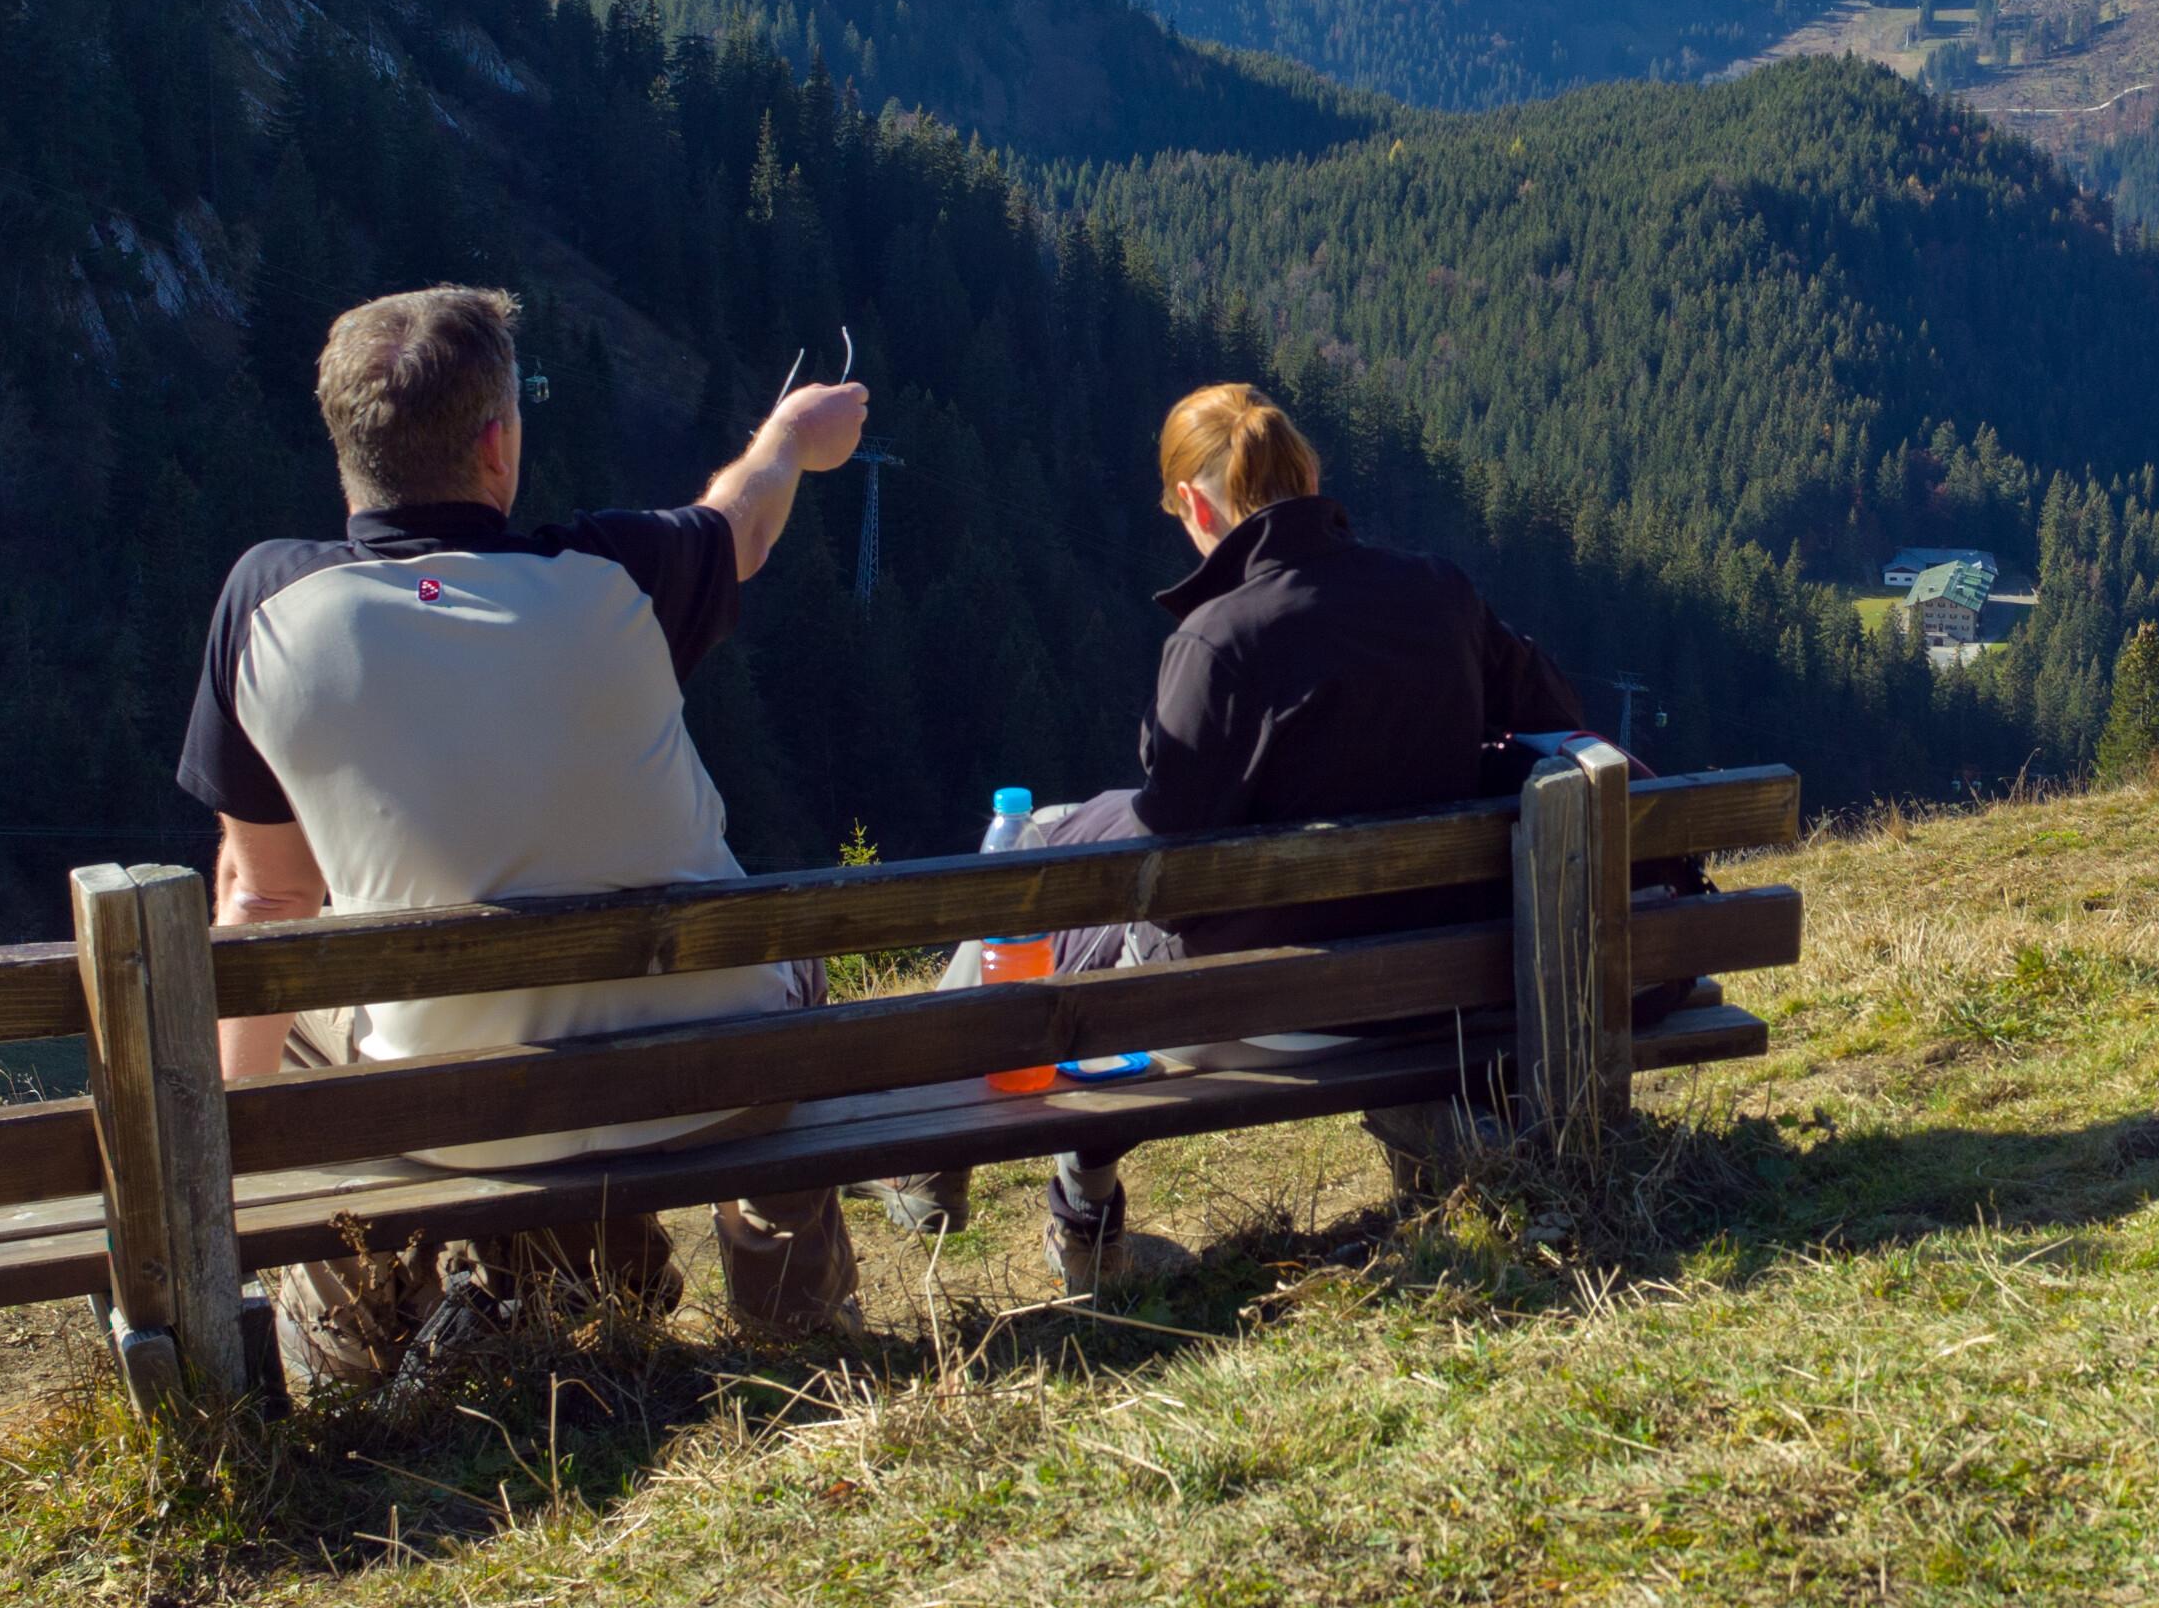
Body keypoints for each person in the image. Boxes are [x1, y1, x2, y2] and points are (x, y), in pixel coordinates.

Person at [183, 284, 873, 1391]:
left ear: (349, 448)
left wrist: (229, 1164)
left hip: (452, 1110)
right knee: (790, 954)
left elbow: (265, 899)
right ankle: (796, 1323)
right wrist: (792, 434)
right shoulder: (615, 577)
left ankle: (352, 1344)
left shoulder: (268, 601)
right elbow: (742, 519)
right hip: (713, 1073)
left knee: (292, 991)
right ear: (497, 443)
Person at [912, 383, 1592, 1287]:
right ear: (1310, 477)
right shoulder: (1439, 591)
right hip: (1437, 981)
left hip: (1260, 1007)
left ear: (1197, 505)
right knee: (1059, 843)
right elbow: (1554, 712)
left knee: (1051, 860)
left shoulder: (1220, 637)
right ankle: (985, 1181)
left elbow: (1163, 853)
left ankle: (1067, 1214)